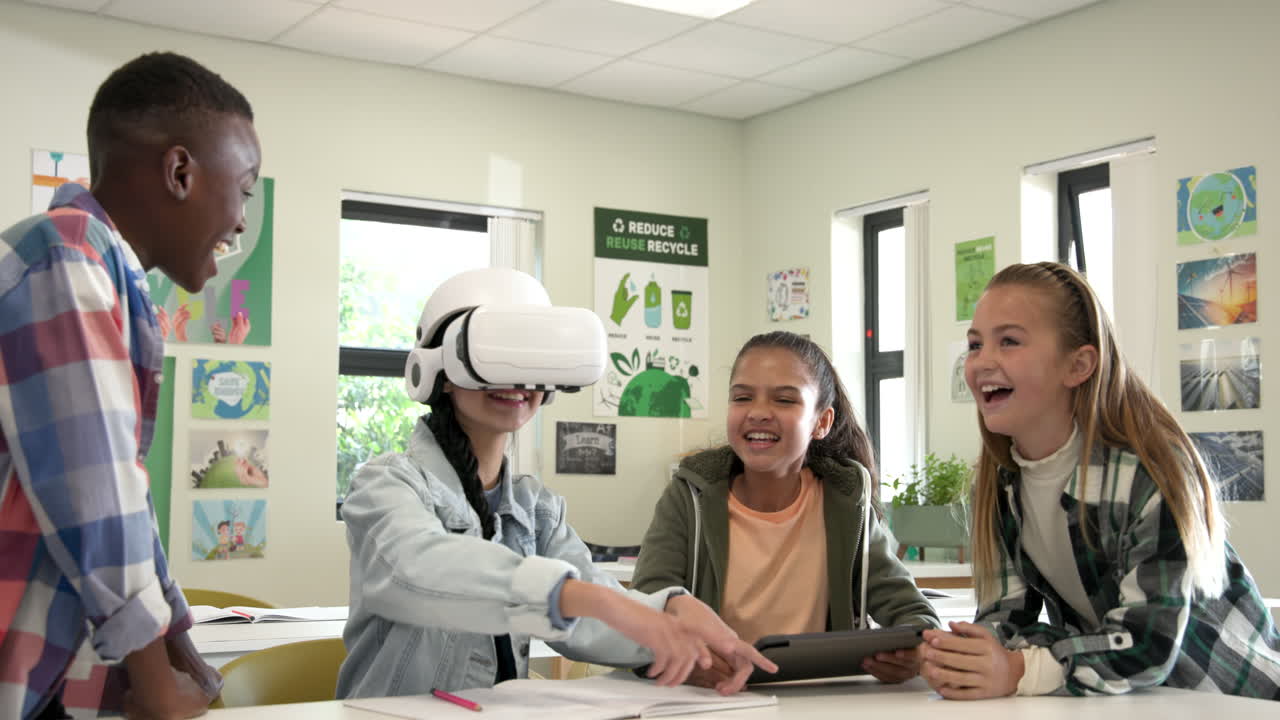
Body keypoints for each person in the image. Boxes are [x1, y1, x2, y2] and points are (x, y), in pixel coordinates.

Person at [336, 268, 775, 700]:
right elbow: (417, 569)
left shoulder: (536, 508)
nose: (517, 379)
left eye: (533, 357)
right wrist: (589, 599)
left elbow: (588, 621)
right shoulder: (385, 484)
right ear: (441, 372)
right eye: (494, 354)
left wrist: (672, 614)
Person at [0, 52, 259, 719]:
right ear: (180, 173)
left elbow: (126, 494)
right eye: (246, 189)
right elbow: (96, 491)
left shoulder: (110, 274)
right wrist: (156, 683)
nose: (239, 221)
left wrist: (180, 652)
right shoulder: (65, 257)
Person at [920, 261, 1280, 700]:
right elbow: (1006, 614)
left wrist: (1020, 669)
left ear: (1078, 365)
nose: (982, 361)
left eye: (1009, 341)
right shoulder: (1000, 483)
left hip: (1233, 698)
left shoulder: (1150, 473)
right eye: (975, 345)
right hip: (1130, 700)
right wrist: (963, 656)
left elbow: (1146, 643)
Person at [632, 331, 939, 689]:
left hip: (822, 702)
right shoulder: (688, 497)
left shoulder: (846, 503)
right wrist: (681, 658)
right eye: (742, 397)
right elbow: (642, 615)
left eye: (784, 400)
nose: (759, 412)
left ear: (821, 422)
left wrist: (913, 655)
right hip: (715, 701)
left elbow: (916, 616)